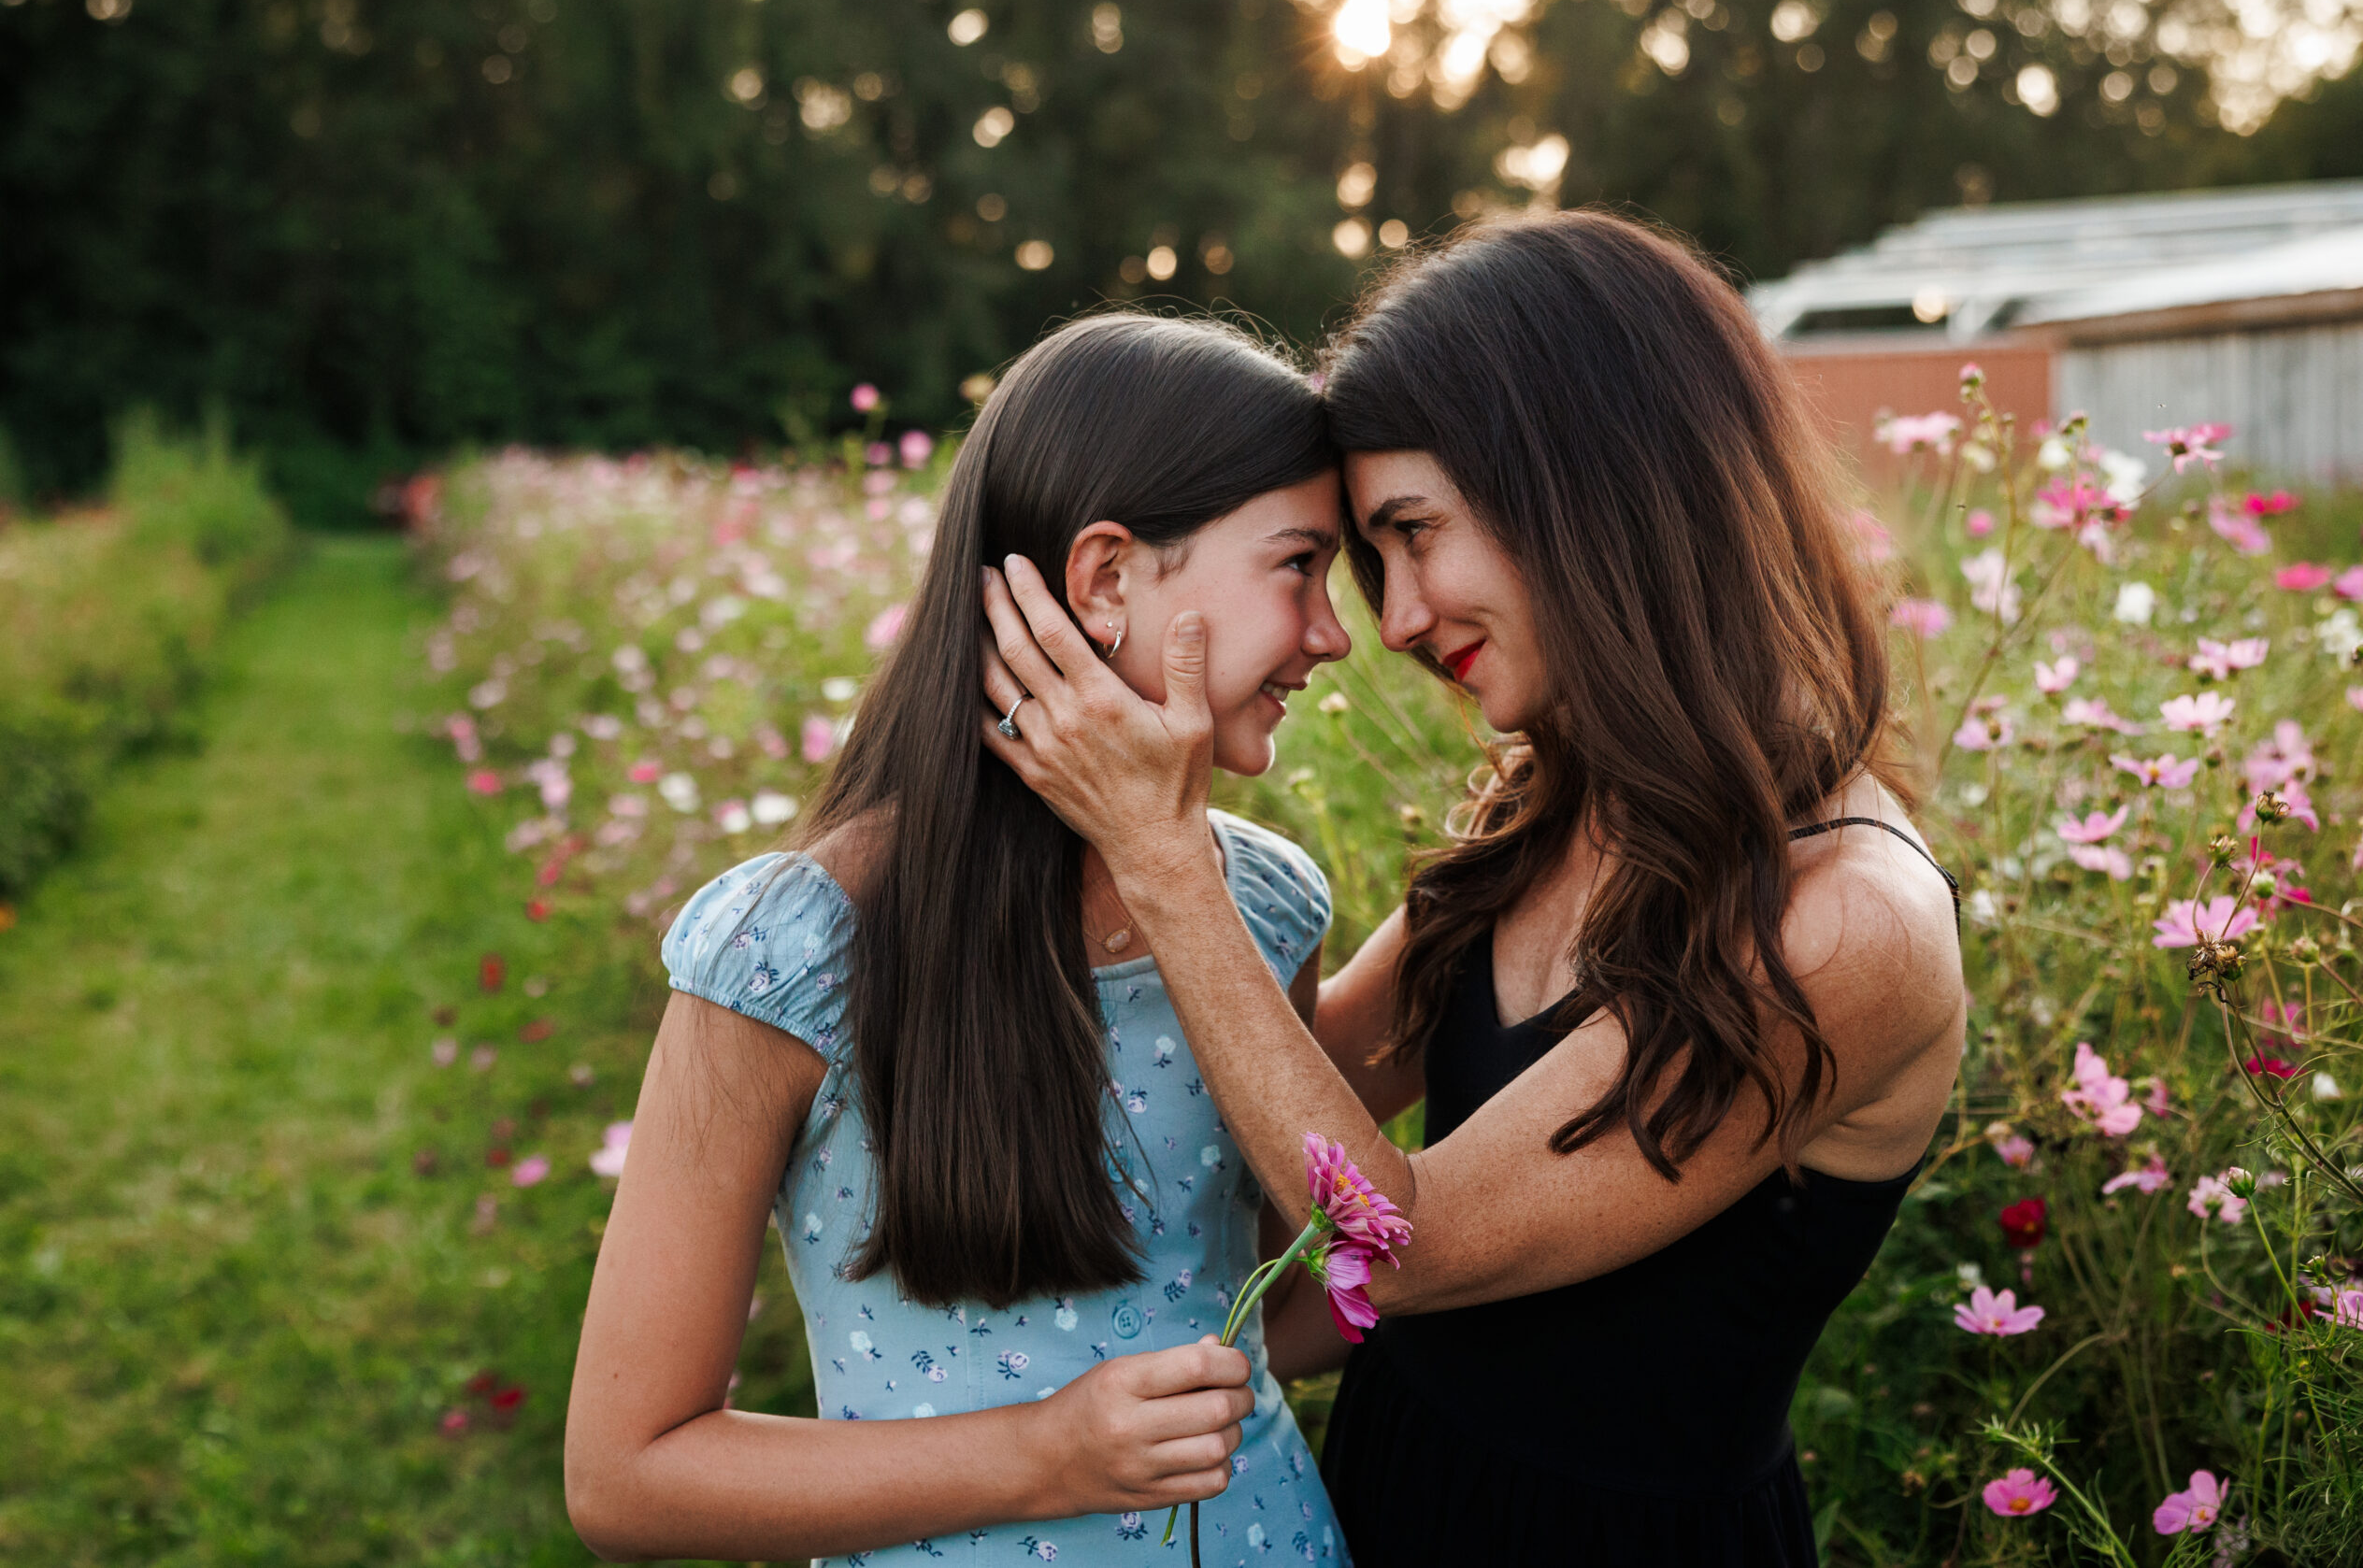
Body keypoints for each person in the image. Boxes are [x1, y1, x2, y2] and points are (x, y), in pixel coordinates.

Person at [975, 210, 1967, 1566]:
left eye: (1414, 532)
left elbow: (1406, 1241)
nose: (1392, 621)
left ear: (1591, 486)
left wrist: (1164, 853)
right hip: (1382, 1505)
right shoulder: (1554, 816)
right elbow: (1265, 1145)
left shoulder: (1848, 917)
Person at [565, 313, 1358, 1564]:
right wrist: (1044, 1455)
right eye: (1299, 567)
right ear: (1106, 579)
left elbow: (1267, 1310)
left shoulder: (1264, 910)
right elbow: (628, 1476)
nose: (1332, 635)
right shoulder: (791, 954)